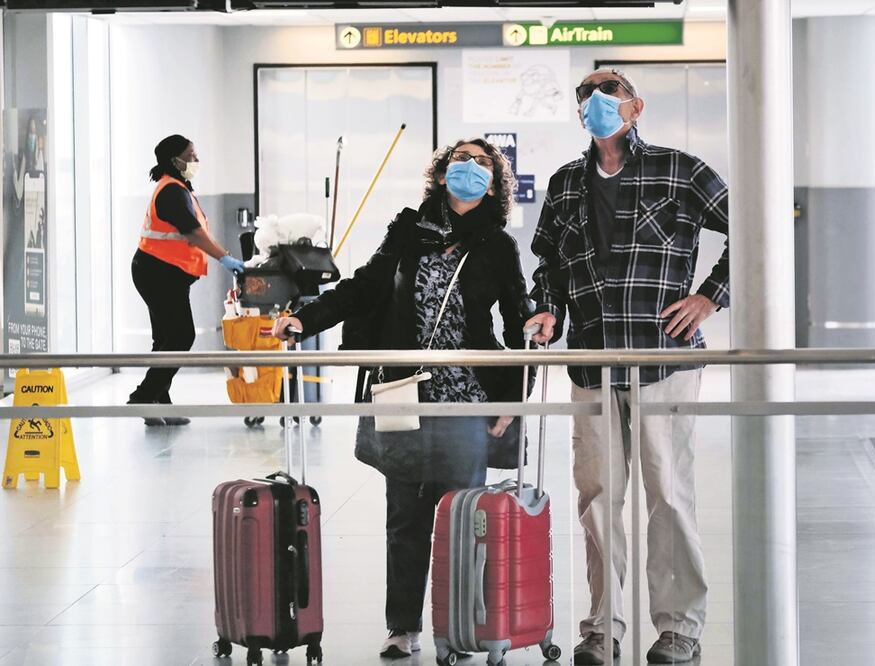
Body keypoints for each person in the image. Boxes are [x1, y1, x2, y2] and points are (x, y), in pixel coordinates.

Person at [272, 138, 533, 660]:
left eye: (482, 162)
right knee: (405, 517)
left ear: (494, 181)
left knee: (462, 517)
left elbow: (516, 318)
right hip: (403, 391)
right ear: (441, 175)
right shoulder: (406, 231)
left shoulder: (497, 246)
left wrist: (515, 395)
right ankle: (402, 625)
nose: (470, 167)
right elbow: (363, 288)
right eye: (461, 159)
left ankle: (458, 626)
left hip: (465, 395)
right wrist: (306, 320)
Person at [525, 68, 730, 665]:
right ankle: (601, 627)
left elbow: (756, 226)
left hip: (662, 358)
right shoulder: (566, 184)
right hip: (592, 361)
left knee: (668, 494)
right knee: (597, 498)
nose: (595, 100)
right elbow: (549, 267)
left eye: (608, 91)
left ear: (635, 107)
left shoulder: (681, 170)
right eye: (586, 93)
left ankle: (678, 629)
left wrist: (711, 295)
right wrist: (545, 312)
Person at [128, 135, 245, 426]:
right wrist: (225, 258)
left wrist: (221, 254)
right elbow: (194, 233)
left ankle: (158, 405)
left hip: (160, 272)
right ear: (174, 160)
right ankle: (143, 396)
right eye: (191, 155)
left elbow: (194, 232)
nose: (195, 160)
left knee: (165, 339)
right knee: (181, 336)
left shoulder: (177, 188)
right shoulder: (171, 191)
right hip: (158, 274)